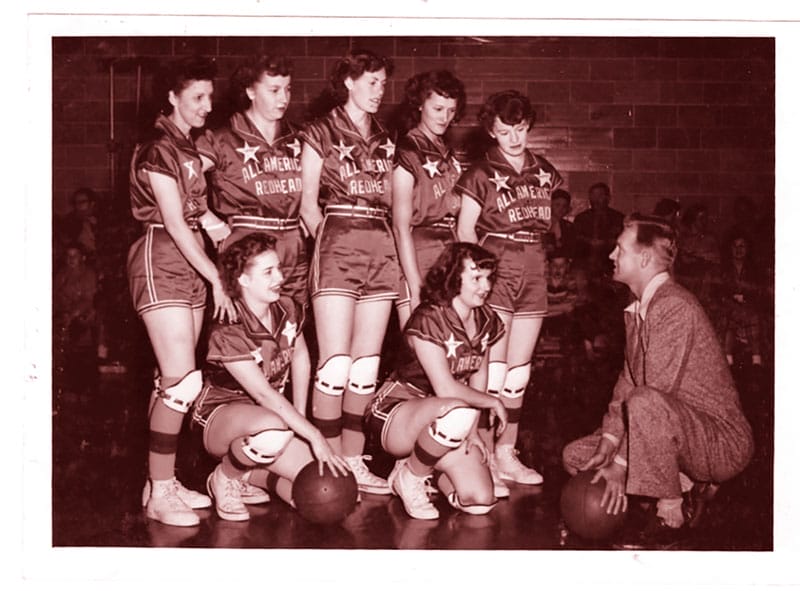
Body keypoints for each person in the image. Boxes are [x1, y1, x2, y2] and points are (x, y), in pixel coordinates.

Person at [562, 213, 754, 548]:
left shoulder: (673, 305)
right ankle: (686, 483)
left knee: (644, 404)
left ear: (645, 258)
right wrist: (608, 441)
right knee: (576, 457)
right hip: (671, 430)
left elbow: (653, 397)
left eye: (620, 249)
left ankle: (671, 514)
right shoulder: (640, 308)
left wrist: (620, 465)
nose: (611, 255)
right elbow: (627, 381)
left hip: (720, 441)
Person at [127, 56, 236, 527]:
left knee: (173, 380)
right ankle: (161, 492)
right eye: (197, 97)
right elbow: (172, 219)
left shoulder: (188, 150)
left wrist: (213, 221)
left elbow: (194, 211)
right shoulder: (157, 149)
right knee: (181, 381)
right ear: (171, 97)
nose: (206, 106)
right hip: (161, 257)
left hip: (187, 258)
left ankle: (159, 481)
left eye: (210, 97)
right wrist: (217, 276)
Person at [191, 233, 350, 521]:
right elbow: (264, 394)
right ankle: (224, 477)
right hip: (218, 418)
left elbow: (300, 357)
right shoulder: (228, 328)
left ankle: (250, 476)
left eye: (278, 268)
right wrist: (311, 434)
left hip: (269, 417)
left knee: (321, 484)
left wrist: (300, 417)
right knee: (273, 430)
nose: (280, 277)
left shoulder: (286, 307)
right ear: (243, 279)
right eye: (268, 272)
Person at [298, 49, 397, 494]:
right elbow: (306, 206)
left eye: (383, 83)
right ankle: (329, 457)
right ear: (349, 83)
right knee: (335, 364)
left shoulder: (386, 137)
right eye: (372, 82)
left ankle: (354, 459)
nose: (380, 91)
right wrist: (332, 245)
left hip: (381, 242)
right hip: (338, 237)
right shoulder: (319, 131)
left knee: (365, 367)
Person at [455, 89, 563, 488]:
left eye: (519, 129)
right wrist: (474, 280)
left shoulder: (545, 170)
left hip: (534, 265)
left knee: (518, 373)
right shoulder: (481, 172)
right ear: (491, 131)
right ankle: (483, 452)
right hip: (496, 264)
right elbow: (465, 230)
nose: (514, 138)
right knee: (493, 369)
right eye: (504, 131)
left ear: (528, 125)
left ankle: (507, 451)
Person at [197, 55, 311, 419]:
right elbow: (181, 184)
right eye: (274, 90)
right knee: (239, 338)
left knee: (293, 338)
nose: (283, 98)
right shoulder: (220, 137)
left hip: (292, 245)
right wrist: (208, 218)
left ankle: (297, 420)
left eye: (288, 90)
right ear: (249, 91)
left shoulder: (297, 138)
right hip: (246, 243)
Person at [367, 242, 509, 519]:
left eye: (488, 278)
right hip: (397, 411)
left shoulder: (486, 319)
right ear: (453, 277)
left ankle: (417, 468)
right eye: (476, 278)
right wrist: (493, 401)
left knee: (480, 501)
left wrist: (473, 432)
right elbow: (445, 388)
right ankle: (410, 478)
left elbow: (477, 374)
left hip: (446, 418)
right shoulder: (429, 316)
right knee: (454, 410)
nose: (485, 286)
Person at [391, 70, 467, 328]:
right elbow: (400, 227)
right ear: (420, 103)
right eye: (438, 108)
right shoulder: (407, 151)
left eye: (451, 110)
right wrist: (415, 286)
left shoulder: (448, 153)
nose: (445, 117)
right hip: (420, 252)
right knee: (420, 349)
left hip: (451, 251)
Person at [572, 182, 624, 275]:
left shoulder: (618, 218)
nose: (595, 199)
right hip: (586, 265)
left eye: (599, 195)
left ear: (608, 198)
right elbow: (576, 239)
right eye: (592, 196)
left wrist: (606, 242)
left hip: (611, 264)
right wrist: (589, 241)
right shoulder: (581, 218)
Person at [544, 188, 578, 260]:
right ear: (550, 205)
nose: (561, 209)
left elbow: (571, 250)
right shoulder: (539, 223)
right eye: (557, 205)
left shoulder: (569, 227)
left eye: (564, 206)